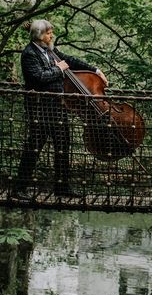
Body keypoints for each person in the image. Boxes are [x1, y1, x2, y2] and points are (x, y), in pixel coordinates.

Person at [12, 19, 106, 200]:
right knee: (34, 148)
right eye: (48, 32)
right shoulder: (29, 54)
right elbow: (38, 77)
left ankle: (62, 188)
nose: (51, 35)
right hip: (40, 108)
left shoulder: (51, 50)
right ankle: (19, 189)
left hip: (58, 107)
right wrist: (58, 69)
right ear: (40, 35)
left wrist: (95, 70)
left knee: (63, 146)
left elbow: (70, 61)